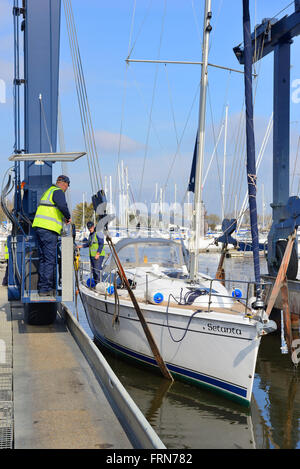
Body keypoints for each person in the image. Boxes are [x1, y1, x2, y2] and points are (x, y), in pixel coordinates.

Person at [32, 175, 71, 296]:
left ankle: (42, 287)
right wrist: (68, 217)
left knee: (44, 259)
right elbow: (63, 206)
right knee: (49, 259)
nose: (66, 189)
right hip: (49, 229)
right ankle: (45, 289)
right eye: (67, 187)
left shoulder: (48, 191)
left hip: (39, 227)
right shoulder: (58, 191)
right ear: (64, 184)